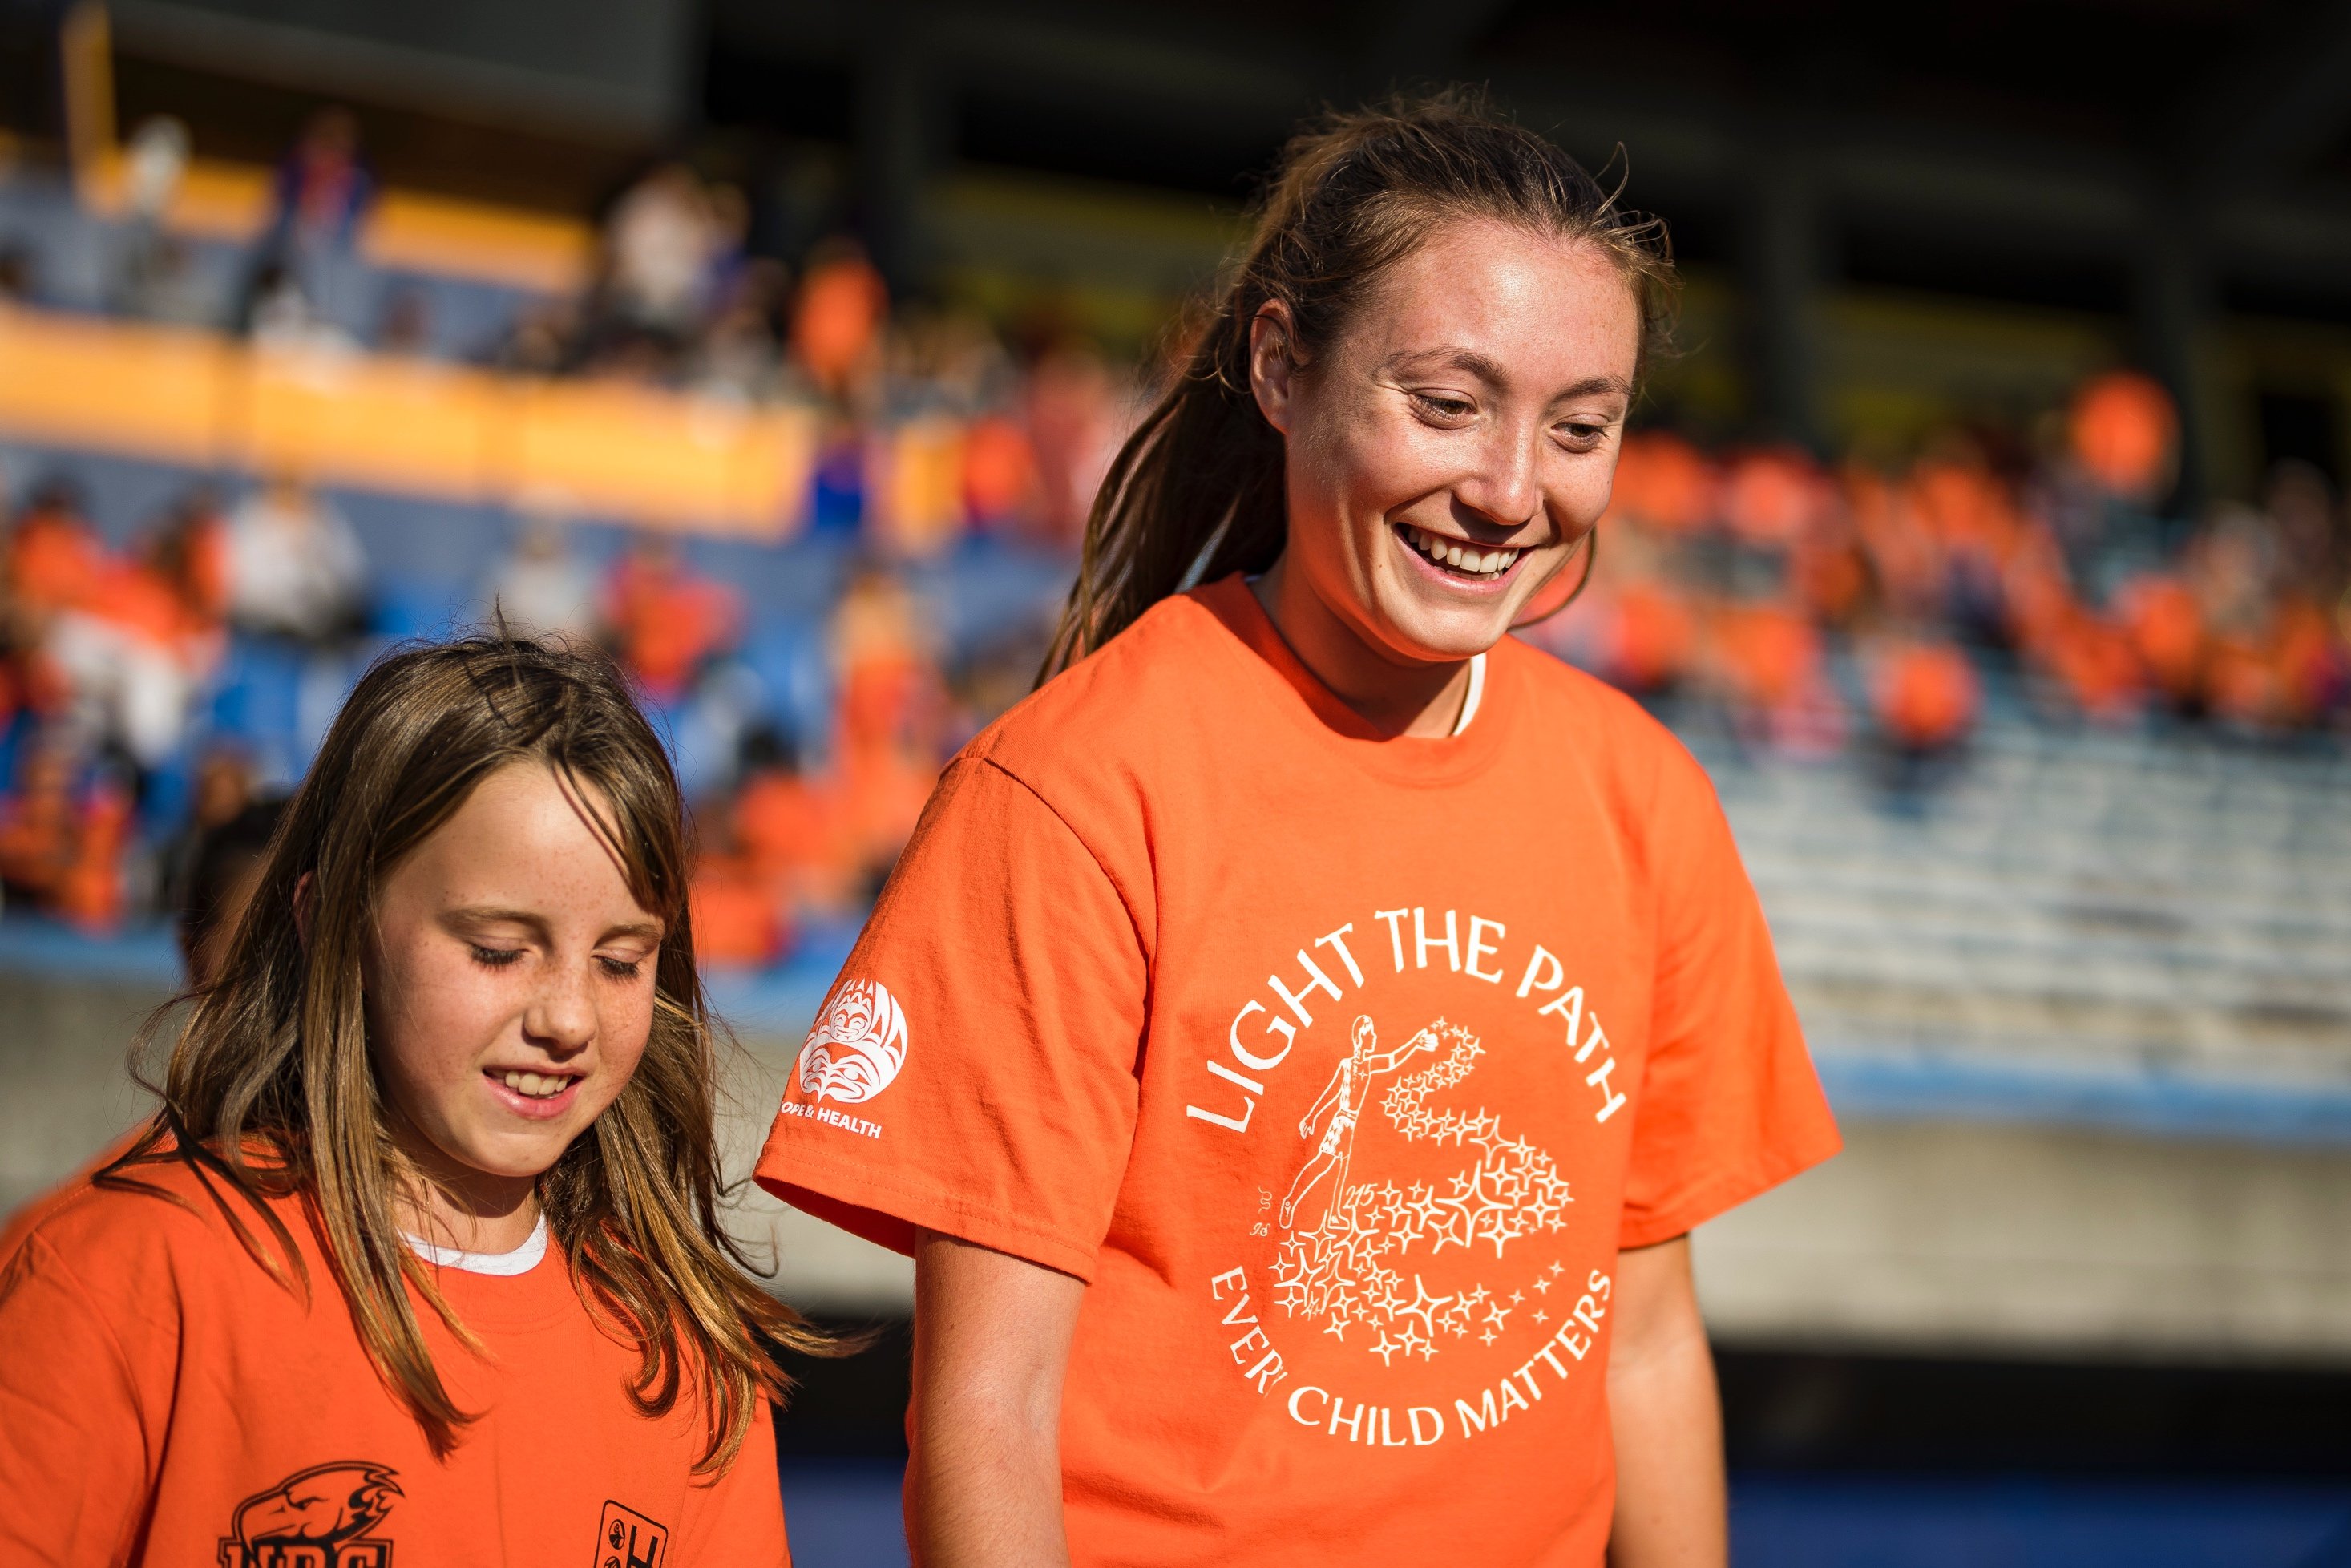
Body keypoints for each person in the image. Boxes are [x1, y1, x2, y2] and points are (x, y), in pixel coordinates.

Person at [753, 95, 1840, 1566]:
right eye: (1445, 405)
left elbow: (1639, 1349)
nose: (1511, 492)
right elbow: (988, 1409)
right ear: (1280, 366)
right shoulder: (1074, 794)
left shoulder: (1643, 799)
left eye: (1578, 428)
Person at [0, 635, 820, 1563]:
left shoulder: (687, 1363)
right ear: (331, 924)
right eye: (497, 950)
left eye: (620, 962)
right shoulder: (125, 1280)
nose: (567, 1018)